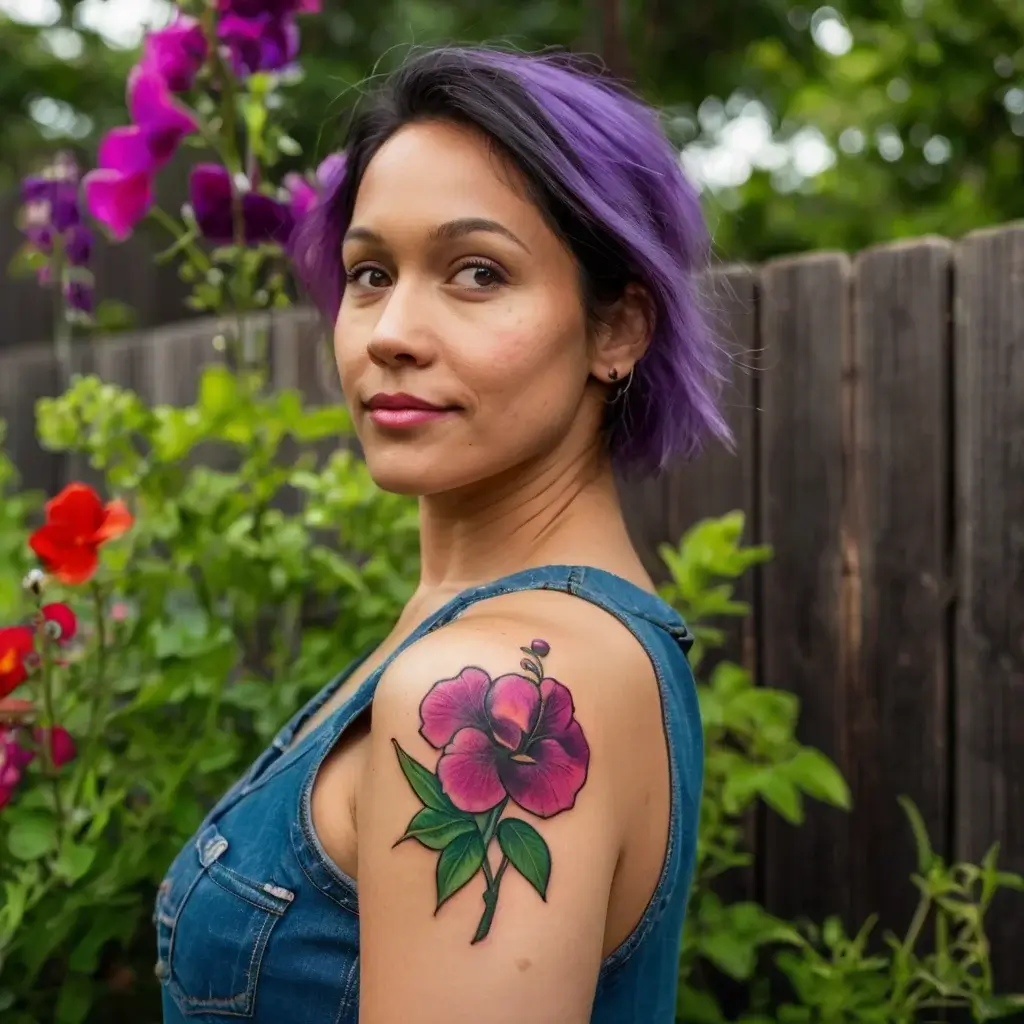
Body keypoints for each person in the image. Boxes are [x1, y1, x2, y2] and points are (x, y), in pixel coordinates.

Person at [155, 45, 731, 1024]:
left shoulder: (507, 680)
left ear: (616, 330)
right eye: (369, 272)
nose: (389, 330)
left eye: (476, 271)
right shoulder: (552, 634)